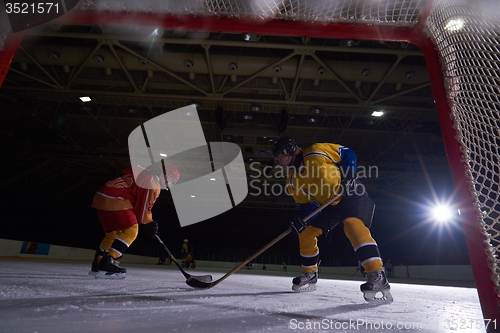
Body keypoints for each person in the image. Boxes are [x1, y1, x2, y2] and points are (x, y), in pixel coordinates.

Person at [272, 137, 392, 301]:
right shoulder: (292, 182)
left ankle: (377, 275)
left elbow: (347, 154)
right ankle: (310, 274)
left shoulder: (317, 151)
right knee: (306, 232)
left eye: (279, 156)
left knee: (351, 224)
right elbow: (309, 207)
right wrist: (302, 219)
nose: (278, 161)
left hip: (349, 191)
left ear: (288, 150)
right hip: (328, 206)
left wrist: (349, 175)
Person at [89, 164, 180, 278]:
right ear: (162, 173)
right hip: (115, 198)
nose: (169, 183)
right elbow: (143, 209)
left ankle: (98, 263)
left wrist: (148, 222)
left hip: (102, 196)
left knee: (113, 233)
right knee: (132, 229)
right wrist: (149, 223)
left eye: (172, 181)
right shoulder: (153, 183)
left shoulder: (145, 173)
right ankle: (108, 261)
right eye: (169, 178)